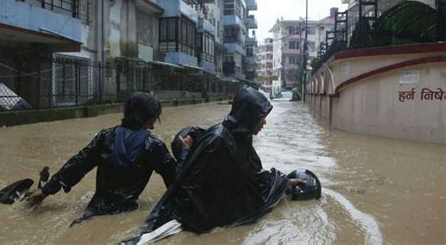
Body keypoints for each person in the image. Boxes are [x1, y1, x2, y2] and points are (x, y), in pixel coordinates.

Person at [126, 87, 305, 243]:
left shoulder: (242, 137)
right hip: (195, 215)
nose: (264, 122)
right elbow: (188, 183)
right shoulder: (217, 141)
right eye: (262, 117)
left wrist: (283, 183)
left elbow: (253, 175)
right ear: (249, 116)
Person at [26, 92, 177, 226]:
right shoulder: (154, 145)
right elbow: (176, 180)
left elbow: (78, 164)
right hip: (126, 215)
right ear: (150, 118)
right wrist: (184, 152)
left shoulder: (105, 137)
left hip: (94, 210)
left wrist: (46, 190)